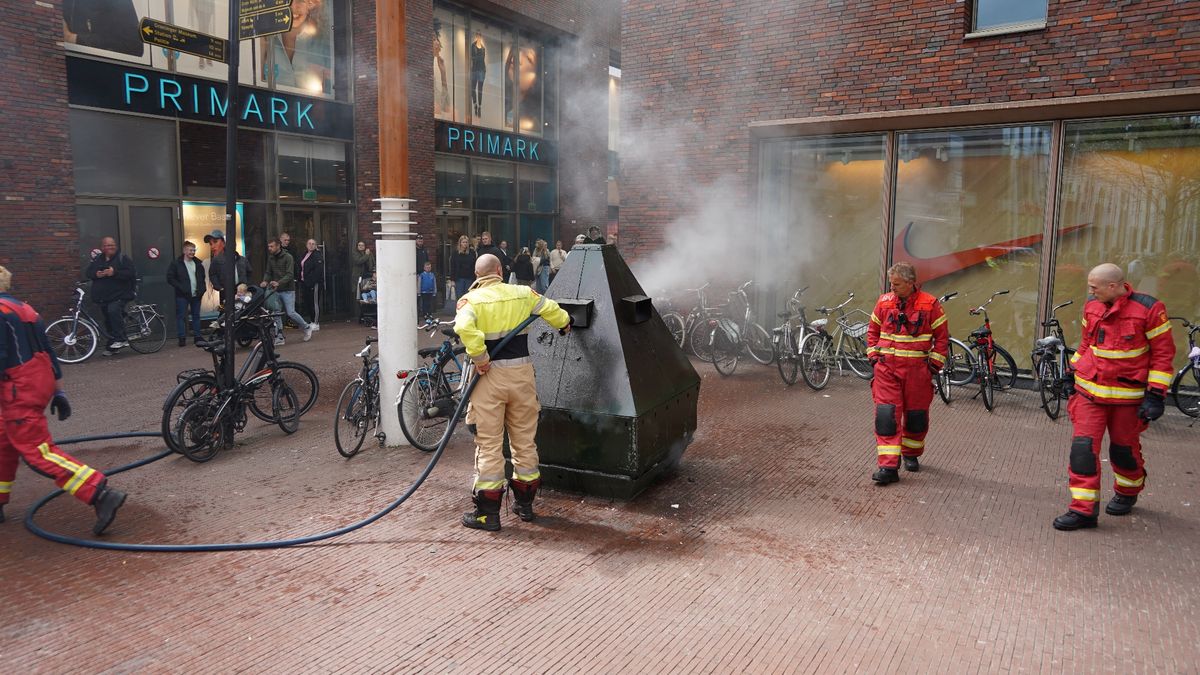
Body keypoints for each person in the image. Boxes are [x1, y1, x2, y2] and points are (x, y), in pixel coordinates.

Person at [0, 266, 127, 534]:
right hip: (39, 379)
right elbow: (49, 352)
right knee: (3, 442)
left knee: (36, 451)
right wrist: (59, 392)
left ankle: (98, 492)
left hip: (16, 389)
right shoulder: (25, 309)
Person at [1052, 263, 1176, 531]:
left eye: (1094, 287)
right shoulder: (1092, 306)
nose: (1090, 291)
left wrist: (1155, 395)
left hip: (1127, 399)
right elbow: (1087, 345)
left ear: (1113, 286)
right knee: (1082, 450)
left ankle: (1129, 489)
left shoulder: (1150, 309)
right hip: (1089, 393)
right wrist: (1071, 373)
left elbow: (1163, 355)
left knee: (1123, 451)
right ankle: (1083, 511)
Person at [454, 254, 571, 531]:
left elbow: (463, 327)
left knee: (489, 445)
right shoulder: (522, 293)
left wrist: (480, 357)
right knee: (524, 442)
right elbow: (555, 311)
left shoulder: (471, 301)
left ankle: (488, 515)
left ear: (477, 274)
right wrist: (565, 324)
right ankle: (525, 505)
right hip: (521, 377)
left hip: (489, 379)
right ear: (499, 270)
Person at [866, 262, 949, 484]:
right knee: (886, 417)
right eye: (891, 283)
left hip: (917, 373)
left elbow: (942, 339)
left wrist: (933, 365)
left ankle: (911, 454)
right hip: (886, 371)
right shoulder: (884, 303)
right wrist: (874, 357)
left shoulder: (930, 305)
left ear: (911, 283)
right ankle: (888, 467)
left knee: (916, 418)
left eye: (897, 284)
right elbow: (872, 331)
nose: (892, 288)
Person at [85, 236, 137, 356]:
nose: (110, 247)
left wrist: (114, 273)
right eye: (107, 245)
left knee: (113, 311)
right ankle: (113, 346)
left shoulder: (122, 258)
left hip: (120, 294)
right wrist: (96, 274)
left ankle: (121, 339)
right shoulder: (98, 259)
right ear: (102, 247)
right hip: (104, 296)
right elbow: (88, 273)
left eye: (112, 245)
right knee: (108, 320)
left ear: (116, 246)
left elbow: (130, 273)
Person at [261, 237, 313, 346]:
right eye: (269, 246)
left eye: (272, 246)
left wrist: (279, 282)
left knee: (291, 312)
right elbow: (268, 272)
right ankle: (279, 336)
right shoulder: (270, 258)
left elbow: (290, 274)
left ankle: (306, 327)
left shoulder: (288, 257)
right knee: (276, 313)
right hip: (275, 290)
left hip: (288, 289)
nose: (269, 248)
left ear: (278, 246)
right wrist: (265, 280)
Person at [166, 241, 206, 347]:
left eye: (194, 250)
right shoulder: (176, 263)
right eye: (190, 250)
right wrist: (181, 287)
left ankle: (197, 337)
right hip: (182, 295)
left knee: (196, 315)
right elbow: (170, 278)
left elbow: (202, 278)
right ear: (184, 251)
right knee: (181, 316)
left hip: (196, 294)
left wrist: (202, 289)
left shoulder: (198, 263)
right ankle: (182, 338)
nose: (192, 252)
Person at [204, 230, 252, 302]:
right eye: (210, 244)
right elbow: (212, 274)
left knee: (241, 309)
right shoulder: (217, 260)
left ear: (224, 243)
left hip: (241, 290)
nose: (212, 246)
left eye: (215, 242)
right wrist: (219, 287)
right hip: (226, 292)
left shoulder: (242, 260)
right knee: (226, 310)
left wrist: (246, 285)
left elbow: (249, 272)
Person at [299, 238, 324, 330]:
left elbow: (318, 271)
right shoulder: (305, 254)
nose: (311, 245)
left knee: (315, 302)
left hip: (314, 283)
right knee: (308, 302)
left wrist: (312, 282)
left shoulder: (317, 255)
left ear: (316, 245)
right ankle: (312, 320)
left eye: (313, 244)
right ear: (306, 245)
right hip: (305, 283)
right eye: (309, 243)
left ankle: (316, 323)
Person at [450, 235, 477, 302]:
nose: (465, 244)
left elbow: (474, 265)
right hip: (459, 278)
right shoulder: (455, 253)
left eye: (466, 242)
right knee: (460, 297)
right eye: (463, 242)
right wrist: (452, 280)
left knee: (468, 298)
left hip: (469, 278)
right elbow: (452, 266)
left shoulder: (472, 252)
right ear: (460, 243)